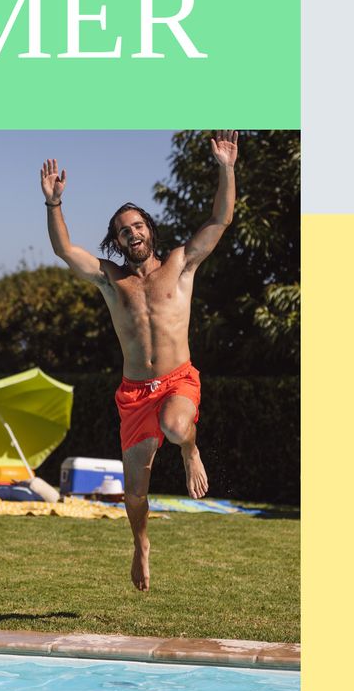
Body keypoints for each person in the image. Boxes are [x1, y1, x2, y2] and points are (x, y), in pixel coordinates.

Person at [40, 131, 238, 591]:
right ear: (117, 241)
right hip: (134, 393)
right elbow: (64, 250)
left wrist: (226, 167)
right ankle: (141, 545)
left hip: (177, 382)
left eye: (138, 225)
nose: (133, 233)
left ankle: (191, 449)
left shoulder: (181, 264)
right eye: (124, 230)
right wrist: (54, 205)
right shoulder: (113, 281)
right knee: (134, 492)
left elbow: (220, 219)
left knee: (175, 426)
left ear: (150, 229)